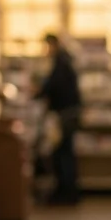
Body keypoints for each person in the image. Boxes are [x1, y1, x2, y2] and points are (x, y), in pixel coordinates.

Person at [36, 33, 81, 205]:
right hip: (67, 113)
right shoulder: (64, 61)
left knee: (63, 153)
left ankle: (66, 192)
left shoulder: (61, 63)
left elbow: (53, 86)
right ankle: (66, 190)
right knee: (64, 152)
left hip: (65, 114)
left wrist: (38, 93)